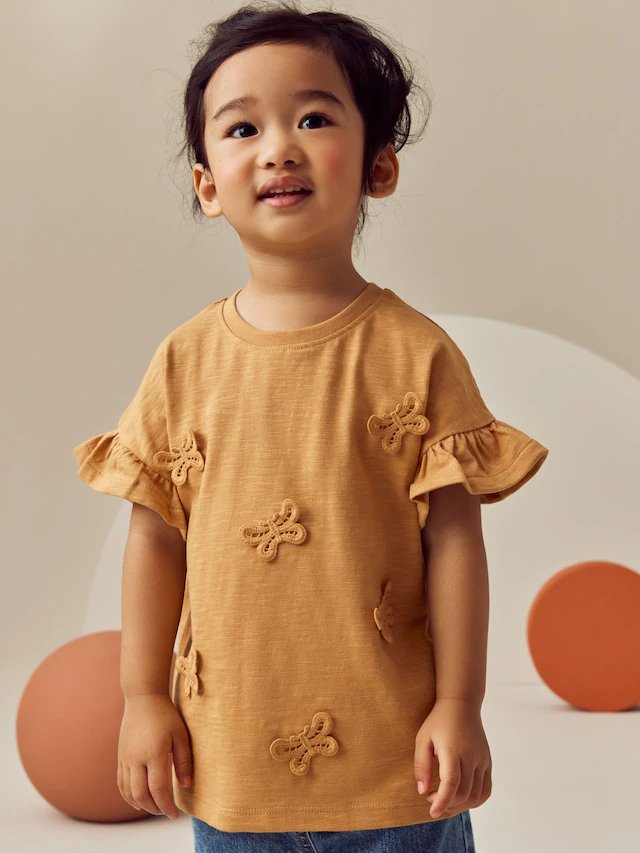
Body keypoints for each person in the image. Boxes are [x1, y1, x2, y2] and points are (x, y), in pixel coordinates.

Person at [72, 2, 549, 851]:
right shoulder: (182, 362)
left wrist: (460, 703)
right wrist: (142, 695)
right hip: (229, 772)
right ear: (208, 186)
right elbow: (155, 541)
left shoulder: (417, 355)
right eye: (243, 127)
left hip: (399, 776)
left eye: (314, 118)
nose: (278, 148)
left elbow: (454, 541)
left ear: (378, 165)